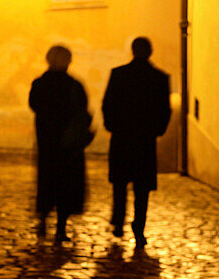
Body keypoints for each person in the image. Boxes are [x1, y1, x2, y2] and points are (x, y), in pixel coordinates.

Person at [102, 36, 170, 248]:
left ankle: (119, 222)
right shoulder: (159, 78)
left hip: (122, 137)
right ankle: (138, 227)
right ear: (150, 52)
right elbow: (164, 109)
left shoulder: (119, 74)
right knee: (142, 188)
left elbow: (108, 103)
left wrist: (112, 126)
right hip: (144, 139)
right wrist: (157, 131)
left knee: (120, 184)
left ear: (132, 51)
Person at [29, 45, 93, 243]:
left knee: (47, 181)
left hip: (47, 143)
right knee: (66, 183)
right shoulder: (74, 85)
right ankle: (61, 227)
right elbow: (83, 109)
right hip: (68, 145)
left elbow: (33, 105)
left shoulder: (40, 84)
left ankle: (43, 221)